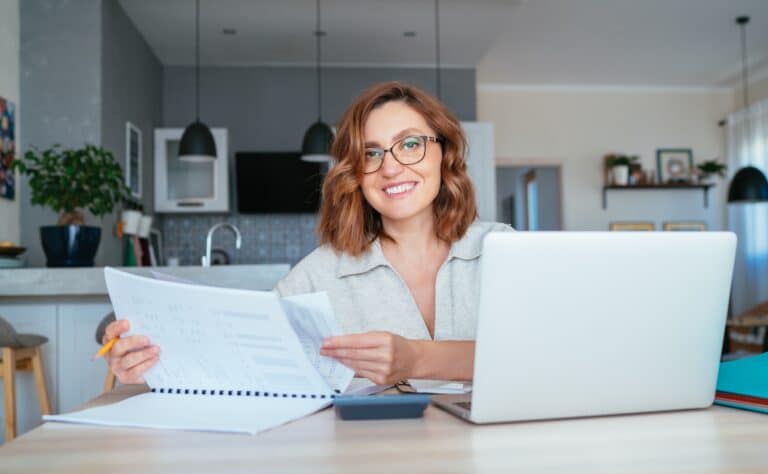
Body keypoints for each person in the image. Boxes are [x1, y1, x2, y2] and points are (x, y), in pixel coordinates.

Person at [102, 81, 512, 386]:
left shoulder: (503, 250)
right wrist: (139, 347)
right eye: (371, 153)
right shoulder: (322, 272)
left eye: (409, 145)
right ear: (356, 172)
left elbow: (549, 354)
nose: (390, 167)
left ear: (446, 151)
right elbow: (237, 347)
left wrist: (417, 359)